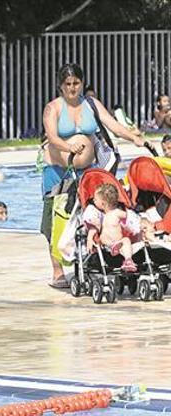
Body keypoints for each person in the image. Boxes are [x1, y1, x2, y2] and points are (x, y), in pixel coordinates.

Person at [41, 63, 146, 288]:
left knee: (90, 214)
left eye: (76, 83)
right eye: (67, 84)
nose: (72, 88)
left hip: (87, 170)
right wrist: (69, 148)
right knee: (55, 218)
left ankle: (92, 259)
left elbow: (113, 125)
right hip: (58, 170)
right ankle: (58, 271)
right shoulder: (53, 108)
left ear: (82, 83)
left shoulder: (90, 104)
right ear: (60, 86)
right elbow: (52, 137)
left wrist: (133, 138)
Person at [88, 184, 139, 273]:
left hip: (111, 243)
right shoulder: (108, 214)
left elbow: (130, 219)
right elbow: (132, 218)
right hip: (111, 243)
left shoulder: (111, 214)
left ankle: (125, 257)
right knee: (125, 240)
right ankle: (127, 258)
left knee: (124, 240)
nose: (93, 201)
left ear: (103, 203)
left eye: (95, 199)